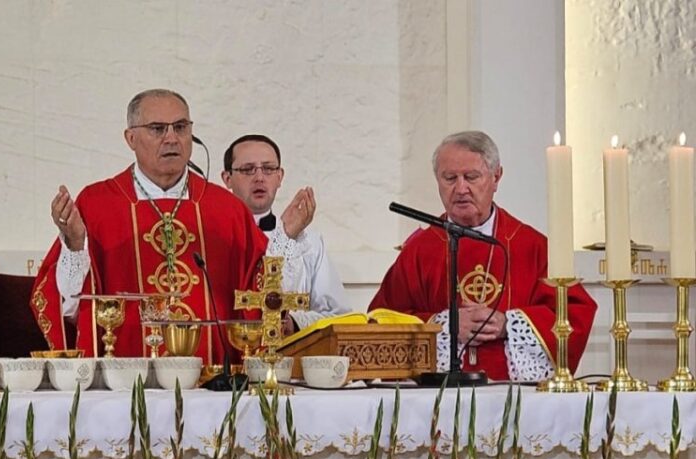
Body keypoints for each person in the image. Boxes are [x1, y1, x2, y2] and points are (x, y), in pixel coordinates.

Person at [32, 90, 310, 363]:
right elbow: (68, 307)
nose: (171, 138)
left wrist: (286, 236)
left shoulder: (227, 209)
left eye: (180, 127)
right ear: (130, 138)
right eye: (157, 128)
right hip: (123, 382)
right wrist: (75, 245)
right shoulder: (97, 205)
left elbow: (265, 298)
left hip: (214, 384)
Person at [369, 130, 597, 381]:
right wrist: (443, 325)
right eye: (449, 178)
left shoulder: (530, 245)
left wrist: (508, 324)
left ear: (496, 177)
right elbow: (380, 322)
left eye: (471, 177)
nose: (461, 188)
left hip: (516, 395)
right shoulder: (420, 250)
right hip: (435, 396)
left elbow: (575, 313)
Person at [222, 134, 352, 333]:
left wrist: (295, 323)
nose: (259, 178)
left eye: (268, 169)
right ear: (227, 178)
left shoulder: (310, 243)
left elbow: (339, 316)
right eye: (248, 169)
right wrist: (285, 235)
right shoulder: (216, 237)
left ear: (280, 176)